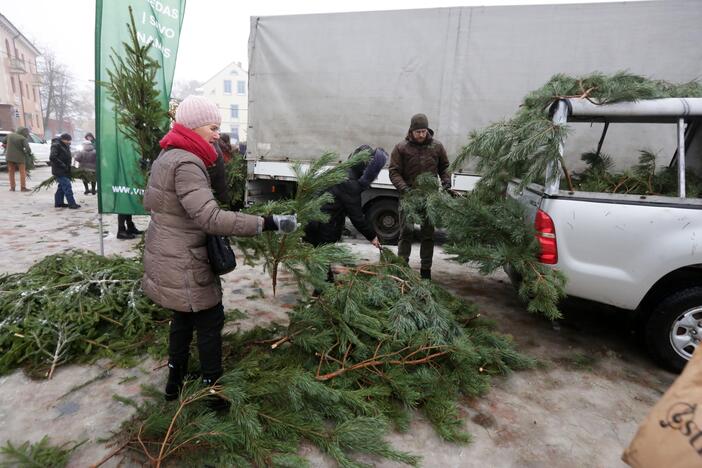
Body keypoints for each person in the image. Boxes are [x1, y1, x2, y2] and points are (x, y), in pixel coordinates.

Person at [142, 95, 296, 404]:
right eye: (213, 127)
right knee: (210, 320)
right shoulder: (187, 163)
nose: (217, 135)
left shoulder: (168, 155)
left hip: (169, 254)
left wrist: (214, 163)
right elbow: (211, 217)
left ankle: (175, 383)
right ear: (194, 127)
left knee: (183, 319)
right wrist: (268, 222)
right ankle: (214, 391)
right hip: (187, 259)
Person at [304, 145, 386, 285]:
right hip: (320, 222)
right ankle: (322, 290)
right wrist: (372, 236)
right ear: (367, 169)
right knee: (322, 255)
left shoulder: (343, 170)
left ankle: (325, 283)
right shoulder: (350, 183)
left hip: (316, 217)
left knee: (321, 255)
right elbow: (357, 218)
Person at [389, 113, 451, 280]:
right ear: (411, 131)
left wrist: (446, 180)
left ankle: (425, 271)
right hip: (408, 197)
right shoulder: (401, 148)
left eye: (423, 131)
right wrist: (404, 189)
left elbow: (444, 167)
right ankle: (402, 267)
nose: (421, 135)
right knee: (406, 232)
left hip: (429, 198)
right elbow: (394, 172)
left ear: (427, 130)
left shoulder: (437, 147)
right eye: (418, 132)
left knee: (428, 234)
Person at [50, 133, 80, 209]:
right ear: (64, 139)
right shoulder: (56, 145)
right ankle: (72, 204)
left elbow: (65, 155)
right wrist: (62, 164)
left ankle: (59, 203)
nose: (69, 142)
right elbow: (52, 157)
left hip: (65, 170)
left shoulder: (64, 145)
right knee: (67, 186)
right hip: (59, 170)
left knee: (61, 187)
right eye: (68, 140)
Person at [5, 127, 33, 192]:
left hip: (9, 157)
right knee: (22, 173)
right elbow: (28, 149)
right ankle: (23, 188)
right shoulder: (23, 138)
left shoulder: (10, 135)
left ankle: (12, 188)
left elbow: (4, 141)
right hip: (20, 157)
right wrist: (27, 154)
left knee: (11, 172)